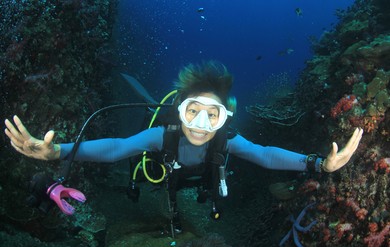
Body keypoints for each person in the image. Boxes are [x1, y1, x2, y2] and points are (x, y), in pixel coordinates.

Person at [4, 61, 363, 233]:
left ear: (224, 118)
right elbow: (117, 147)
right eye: (192, 112)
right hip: (164, 168)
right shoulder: (167, 135)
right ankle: (152, 109)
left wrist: (318, 164)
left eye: (212, 115)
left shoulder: (225, 139)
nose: (201, 125)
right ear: (180, 112)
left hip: (198, 179)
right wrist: (58, 151)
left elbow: (264, 154)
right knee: (142, 162)